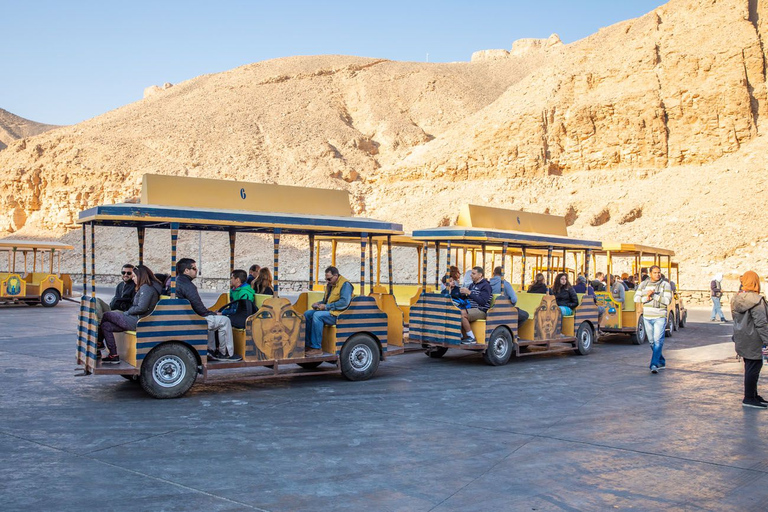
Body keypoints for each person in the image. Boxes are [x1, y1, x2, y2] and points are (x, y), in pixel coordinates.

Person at [175, 258, 242, 362]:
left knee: (212, 319)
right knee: (224, 321)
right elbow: (199, 307)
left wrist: (211, 314)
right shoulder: (188, 285)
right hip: (192, 319)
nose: (196, 270)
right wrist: (213, 313)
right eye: (194, 268)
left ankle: (211, 350)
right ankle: (225, 353)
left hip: (184, 316)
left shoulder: (177, 281)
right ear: (186, 271)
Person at [98, 265, 162, 364]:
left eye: (134, 277)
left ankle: (98, 342)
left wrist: (128, 312)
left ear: (141, 276)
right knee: (106, 326)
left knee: (107, 315)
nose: (133, 279)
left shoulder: (146, 288)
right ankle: (113, 355)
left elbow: (142, 307)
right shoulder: (143, 288)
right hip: (134, 318)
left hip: (138, 320)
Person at [731, 271, 768, 408]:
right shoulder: (757, 300)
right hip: (755, 339)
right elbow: (761, 323)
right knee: (754, 368)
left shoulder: (737, 298)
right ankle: (749, 398)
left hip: (743, 338)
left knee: (750, 367)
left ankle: (753, 395)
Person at [304, 266, 353, 357]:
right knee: (307, 314)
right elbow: (325, 301)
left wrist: (326, 307)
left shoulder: (345, 285)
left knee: (318, 316)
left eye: (329, 278)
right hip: (330, 311)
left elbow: (344, 303)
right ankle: (308, 345)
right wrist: (318, 304)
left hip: (340, 314)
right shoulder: (330, 285)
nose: (327, 280)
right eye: (326, 279)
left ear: (336, 276)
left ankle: (316, 347)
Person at [634, 265, 673, 373]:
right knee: (651, 341)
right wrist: (647, 297)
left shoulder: (665, 285)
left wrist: (654, 296)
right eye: (655, 273)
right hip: (647, 316)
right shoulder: (643, 284)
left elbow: (667, 301)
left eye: (659, 272)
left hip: (659, 316)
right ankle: (661, 360)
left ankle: (653, 364)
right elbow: (636, 298)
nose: (657, 274)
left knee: (658, 340)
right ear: (650, 274)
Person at [458, 266, 493, 344]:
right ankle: (458, 335)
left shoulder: (486, 286)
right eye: (471, 273)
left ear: (480, 275)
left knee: (461, 313)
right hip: (471, 309)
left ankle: (471, 337)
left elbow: (483, 302)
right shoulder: (472, 285)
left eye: (473, 273)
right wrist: (462, 293)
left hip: (481, 310)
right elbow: (469, 297)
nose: (471, 275)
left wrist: (469, 293)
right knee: (454, 311)